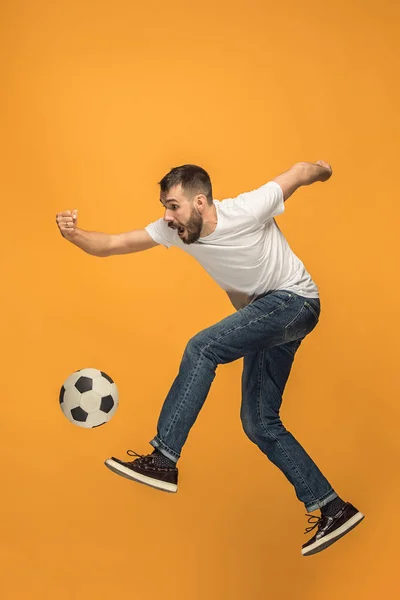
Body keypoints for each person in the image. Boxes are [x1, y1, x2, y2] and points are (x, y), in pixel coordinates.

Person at [56, 160, 364, 556]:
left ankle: (164, 457)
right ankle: (331, 507)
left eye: (173, 206)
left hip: (294, 302)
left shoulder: (249, 208)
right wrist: (74, 235)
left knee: (202, 347)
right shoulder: (176, 231)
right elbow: (115, 244)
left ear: (200, 202)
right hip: (269, 319)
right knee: (258, 422)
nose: (168, 216)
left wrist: (324, 170)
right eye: (165, 207)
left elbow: (298, 174)